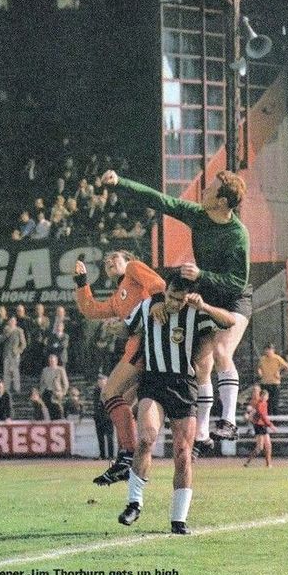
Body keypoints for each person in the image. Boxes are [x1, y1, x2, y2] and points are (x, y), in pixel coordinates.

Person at [101, 168, 251, 448]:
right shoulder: (198, 215)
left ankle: (229, 421)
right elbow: (160, 200)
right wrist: (121, 182)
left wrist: (202, 275)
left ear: (222, 201)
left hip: (234, 298)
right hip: (206, 293)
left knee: (220, 351)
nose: (203, 190)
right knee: (199, 364)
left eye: (210, 189)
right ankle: (203, 434)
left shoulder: (237, 235)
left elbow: (237, 281)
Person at [117, 274, 235, 534]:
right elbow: (124, 328)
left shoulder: (196, 311)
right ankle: (134, 503)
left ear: (188, 297)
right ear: (166, 291)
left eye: (179, 300)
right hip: (154, 382)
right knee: (146, 438)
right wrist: (148, 312)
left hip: (183, 385)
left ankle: (178, 519)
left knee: (182, 453)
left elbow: (230, 321)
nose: (173, 303)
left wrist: (203, 306)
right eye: (170, 297)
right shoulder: (149, 306)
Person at [74, 250, 165, 486]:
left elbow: (158, 283)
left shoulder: (134, 268)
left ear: (128, 259)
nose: (109, 261)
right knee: (121, 401)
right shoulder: (117, 297)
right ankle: (131, 463)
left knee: (109, 392)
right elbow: (90, 310)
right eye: (106, 262)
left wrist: (153, 308)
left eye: (115, 257)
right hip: (140, 347)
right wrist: (82, 283)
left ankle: (126, 455)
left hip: (143, 345)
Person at [243, 389, 277, 468]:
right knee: (260, 447)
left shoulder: (264, 403)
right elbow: (262, 416)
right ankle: (248, 462)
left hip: (263, 425)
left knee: (268, 445)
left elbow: (262, 415)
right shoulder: (260, 404)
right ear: (262, 396)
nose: (266, 398)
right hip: (259, 426)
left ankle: (268, 464)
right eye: (265, 396)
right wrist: (271, 425)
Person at [258, 343, 288, 415]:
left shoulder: (277, 358)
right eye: (266, 349)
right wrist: (260, 373)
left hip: (274, 384)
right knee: (265, 403)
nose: (268, 351)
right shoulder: (262, 359)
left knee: (274, 403)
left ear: (273, 350)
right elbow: (259, 367)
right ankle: (266, 420)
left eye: (269, 349)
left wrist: (280, 375)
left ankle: (275, 421)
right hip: (265, 383)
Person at [0, 316, 26, 394]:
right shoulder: (5, 329)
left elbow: (23, 344)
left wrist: (18, 351)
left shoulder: (19, 331)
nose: (11, 322)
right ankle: (6, 389)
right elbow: (1, 340)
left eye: (13, 321)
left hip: (15, 354)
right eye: (10, 321)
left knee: (15, 372)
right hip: (7, 354)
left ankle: (17, 388)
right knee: (6, 372)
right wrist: (7, 333)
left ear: (15, 322)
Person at [39, 354, 69, 420]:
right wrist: (41, 393)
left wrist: (63, 393)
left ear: (56, 361)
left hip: (56, 393)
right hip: (47, 392)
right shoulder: (45, 370)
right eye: (50, 361)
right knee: (47, 412)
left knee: (57, 412)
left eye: (53, 361)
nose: (51, 362)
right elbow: (42, 383)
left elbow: (66, 383)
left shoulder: (60, 370)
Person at [93, 374, 114, 460]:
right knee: (100, 437)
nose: (100, 382)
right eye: (99, 381)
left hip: (108, 417)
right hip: (98, 417)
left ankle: (111, 455)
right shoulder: (96, 391)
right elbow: (95, 404)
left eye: (102, 380)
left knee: (109, 437)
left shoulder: (110, 391)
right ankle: (102, 455)